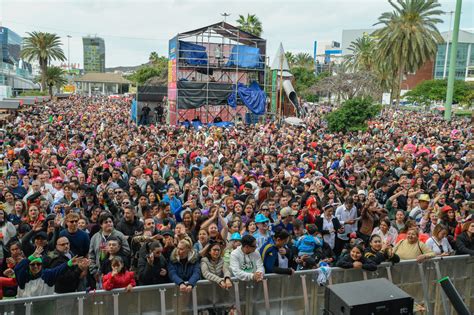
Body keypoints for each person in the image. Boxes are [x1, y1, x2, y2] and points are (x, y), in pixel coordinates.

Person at [14, 246, 82, 297]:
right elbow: (17, 269)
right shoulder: (23, 277)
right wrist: (31, 257)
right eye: (32, 264)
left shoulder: (47, 275)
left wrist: (68, 263)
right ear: (28, 265)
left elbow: (58, 270)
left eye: (38, 264)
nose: (35, 266)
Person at [88, 213, 130, 284]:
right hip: (100, 274)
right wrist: (94, 272)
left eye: (110, 222)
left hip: (119, 272)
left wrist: (112, 251)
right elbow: (91, 256)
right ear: (101, 225)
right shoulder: (95, 237)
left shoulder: (119, 235)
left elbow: (127, 251)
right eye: (106, 222)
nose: (109, 224)